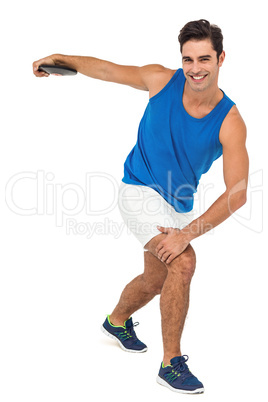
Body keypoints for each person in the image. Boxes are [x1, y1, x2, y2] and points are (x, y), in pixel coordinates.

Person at [33, 19, 249, 394]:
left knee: (156, 278)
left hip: (178, 207)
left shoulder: (230, 121)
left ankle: (116, 321)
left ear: (220, 59)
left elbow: (238, 192)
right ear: (180, 60)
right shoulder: (161, 81)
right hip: (138, 190)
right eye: (188, 59)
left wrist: (186, 231)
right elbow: (106, 70)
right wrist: (61, 58)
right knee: (183, 262)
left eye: (204, 59)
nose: (195, 68)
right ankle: (171, 364)